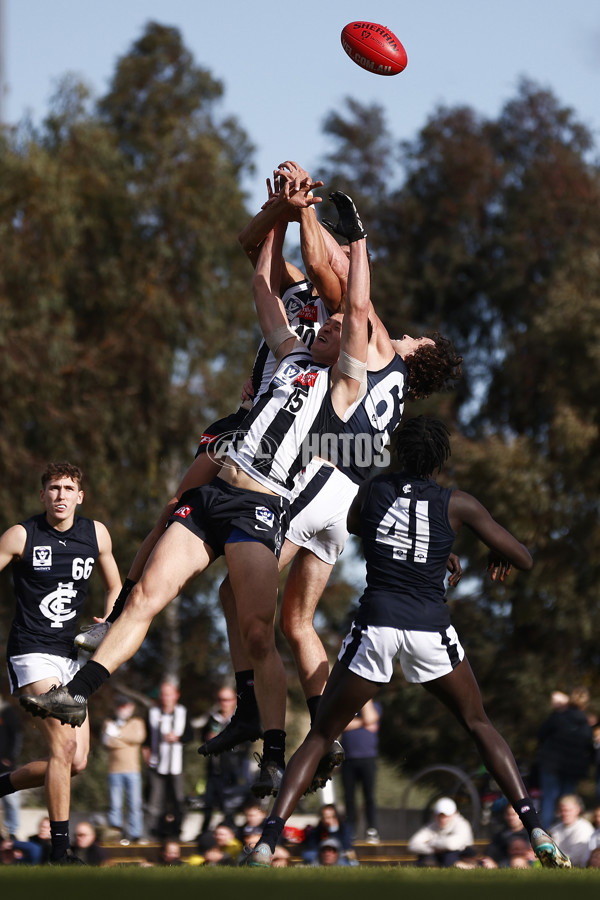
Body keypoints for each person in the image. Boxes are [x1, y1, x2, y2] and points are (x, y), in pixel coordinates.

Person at [21, 193, 459, 803]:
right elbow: (262, 287)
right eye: (324, 324)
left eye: (336, 327)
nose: (327, 323)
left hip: (271, 505)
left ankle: (278, 747)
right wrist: (280, 214)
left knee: (259, 627)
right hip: (231, 493)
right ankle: (82, 689)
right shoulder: (292, 352)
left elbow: (356, 306)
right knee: (160, 594)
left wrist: (354, 239)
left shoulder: (349, 383)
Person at [245, 416, 571, 869]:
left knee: (321, 735)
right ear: (440, 460)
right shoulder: (458, 504)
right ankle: (535, 828)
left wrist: (421, 542)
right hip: (430, 628)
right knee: (478, 723)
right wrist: (454, 546)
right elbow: (524, 558)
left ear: (400, 453)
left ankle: (265, 844)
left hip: (378, 623)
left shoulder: (375, 490)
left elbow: (360, 525)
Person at [0, 461, 121, 864]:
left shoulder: (96, 534)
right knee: (64, 745)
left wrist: (109, 619)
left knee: (77, 761)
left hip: (71, 657)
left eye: (68, 488)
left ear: (80, 496)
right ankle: (59, 852)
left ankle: (2, 785)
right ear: (42, 496)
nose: (61, 495)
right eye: (53, 488)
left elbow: (117, 587)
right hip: (31, 652)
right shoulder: (22, 535)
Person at [537, 686, 594, 829]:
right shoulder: (585, 725)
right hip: (572, 770)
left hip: (551, 766)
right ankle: (561, 835)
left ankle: (545, 834)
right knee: (567, 802)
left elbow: (541, 735)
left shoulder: (558, 717)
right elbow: (589, 748)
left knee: (549, 801)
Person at [142, 680, 193, 839]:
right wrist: (146, 755)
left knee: (178, 801)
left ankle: (177, 832)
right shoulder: (152, 713)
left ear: (176, 696)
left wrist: (178, 737)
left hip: (177, 765)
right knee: (154, 801)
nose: (165, 697)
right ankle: (150, 834)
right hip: (157, 764)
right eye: (163, 694)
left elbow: (190, 736)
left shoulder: (183, 712)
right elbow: (147, 739)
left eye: (169, 694)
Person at [196, 685, 250, 832]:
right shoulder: (212, 719)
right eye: (220, 699)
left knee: (229, 806)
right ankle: (204, 834)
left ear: (234, 701)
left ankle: (230, 832)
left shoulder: (240, 719)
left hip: (233, 769)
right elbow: (203, 738)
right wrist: (209, 740)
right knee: (208, 804)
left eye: (227, 699)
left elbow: (246, 744)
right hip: (214, 769)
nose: (223, 703)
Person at [101, 694, 146, 845]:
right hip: (114, 770)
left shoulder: (137, 722)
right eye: (120, 706)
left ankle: (136, 834)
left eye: (126, 706)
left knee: (135, 804)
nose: (123, 709)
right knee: (115, 805)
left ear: (131, 707)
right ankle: (116, 833)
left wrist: (118, 735)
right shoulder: (109, 722)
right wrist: (124, 739)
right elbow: (107, 742)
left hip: (133, 770)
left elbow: (138, 738)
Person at [340, 699, 381, 843]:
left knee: (369, 796)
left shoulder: (374, 705)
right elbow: (342, 725)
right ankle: (350, 831)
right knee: (349, 798)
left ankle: (372, 830)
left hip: (368, 759)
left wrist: (366, 701)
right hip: (348, 759)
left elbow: (371, 718)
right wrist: (364, 723)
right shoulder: (348, 706)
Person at [407, 797, 475, 867]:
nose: (443, 819)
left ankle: (467, 866)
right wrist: (434, 850)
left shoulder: (462, 824)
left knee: (449, 857)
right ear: (435, 815)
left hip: (463, 854)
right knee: (425, 859)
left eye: (446, 816)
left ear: (455, 814)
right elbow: (413, 845)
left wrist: (431, 842)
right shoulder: (432, 826)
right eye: (440, 816)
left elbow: (451, 845)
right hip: (440, 855)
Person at [547, 794, 594, 868]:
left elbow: (576, 859)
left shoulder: (584, 828)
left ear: (578, 810)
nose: (565, 814)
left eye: (568, 810)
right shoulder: (555, 828)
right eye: (562, 810)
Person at [479, 803, 531, 868]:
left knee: (518, 862)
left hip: (527, 864)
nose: (511, 818)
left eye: (514, 815)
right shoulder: (500, 835)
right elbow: (490, 853)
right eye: (508, 814)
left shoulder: (531, 833)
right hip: (502, 864)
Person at [0, 692, 22, 840]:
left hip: (6, 767)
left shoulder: (6, 711)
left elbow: (17, 735)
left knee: (11, 801)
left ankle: (12, 832)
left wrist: (10, 757)